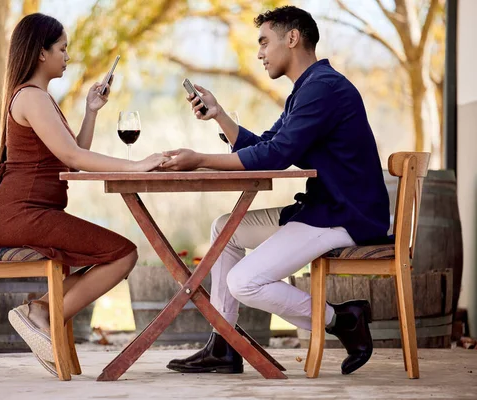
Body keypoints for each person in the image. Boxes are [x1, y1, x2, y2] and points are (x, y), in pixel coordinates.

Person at [162, 5, 389, 375]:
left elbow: (276, 156)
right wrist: (219, 114)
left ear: (293, 38)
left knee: (244, 282)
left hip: (345, 215)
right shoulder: (307, 89)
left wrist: (199, 160)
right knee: (226, 229)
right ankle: (224, 344)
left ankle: (343, 320)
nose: (259, 52)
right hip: (320, 208)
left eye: (265, 41)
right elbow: (268, 143)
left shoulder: (324, 90)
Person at [0, 13, 168, 376]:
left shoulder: (38, 98)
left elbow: (73, 153)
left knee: (112, 253)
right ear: (41, 53)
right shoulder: (32, 98)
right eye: (62, 48)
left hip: (23, 215)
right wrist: (137, 165)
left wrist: (91, 112)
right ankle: (43, 314)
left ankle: (40, 311)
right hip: (19, 216)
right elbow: (72, 157)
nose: (67, 56)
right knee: (123, 254)